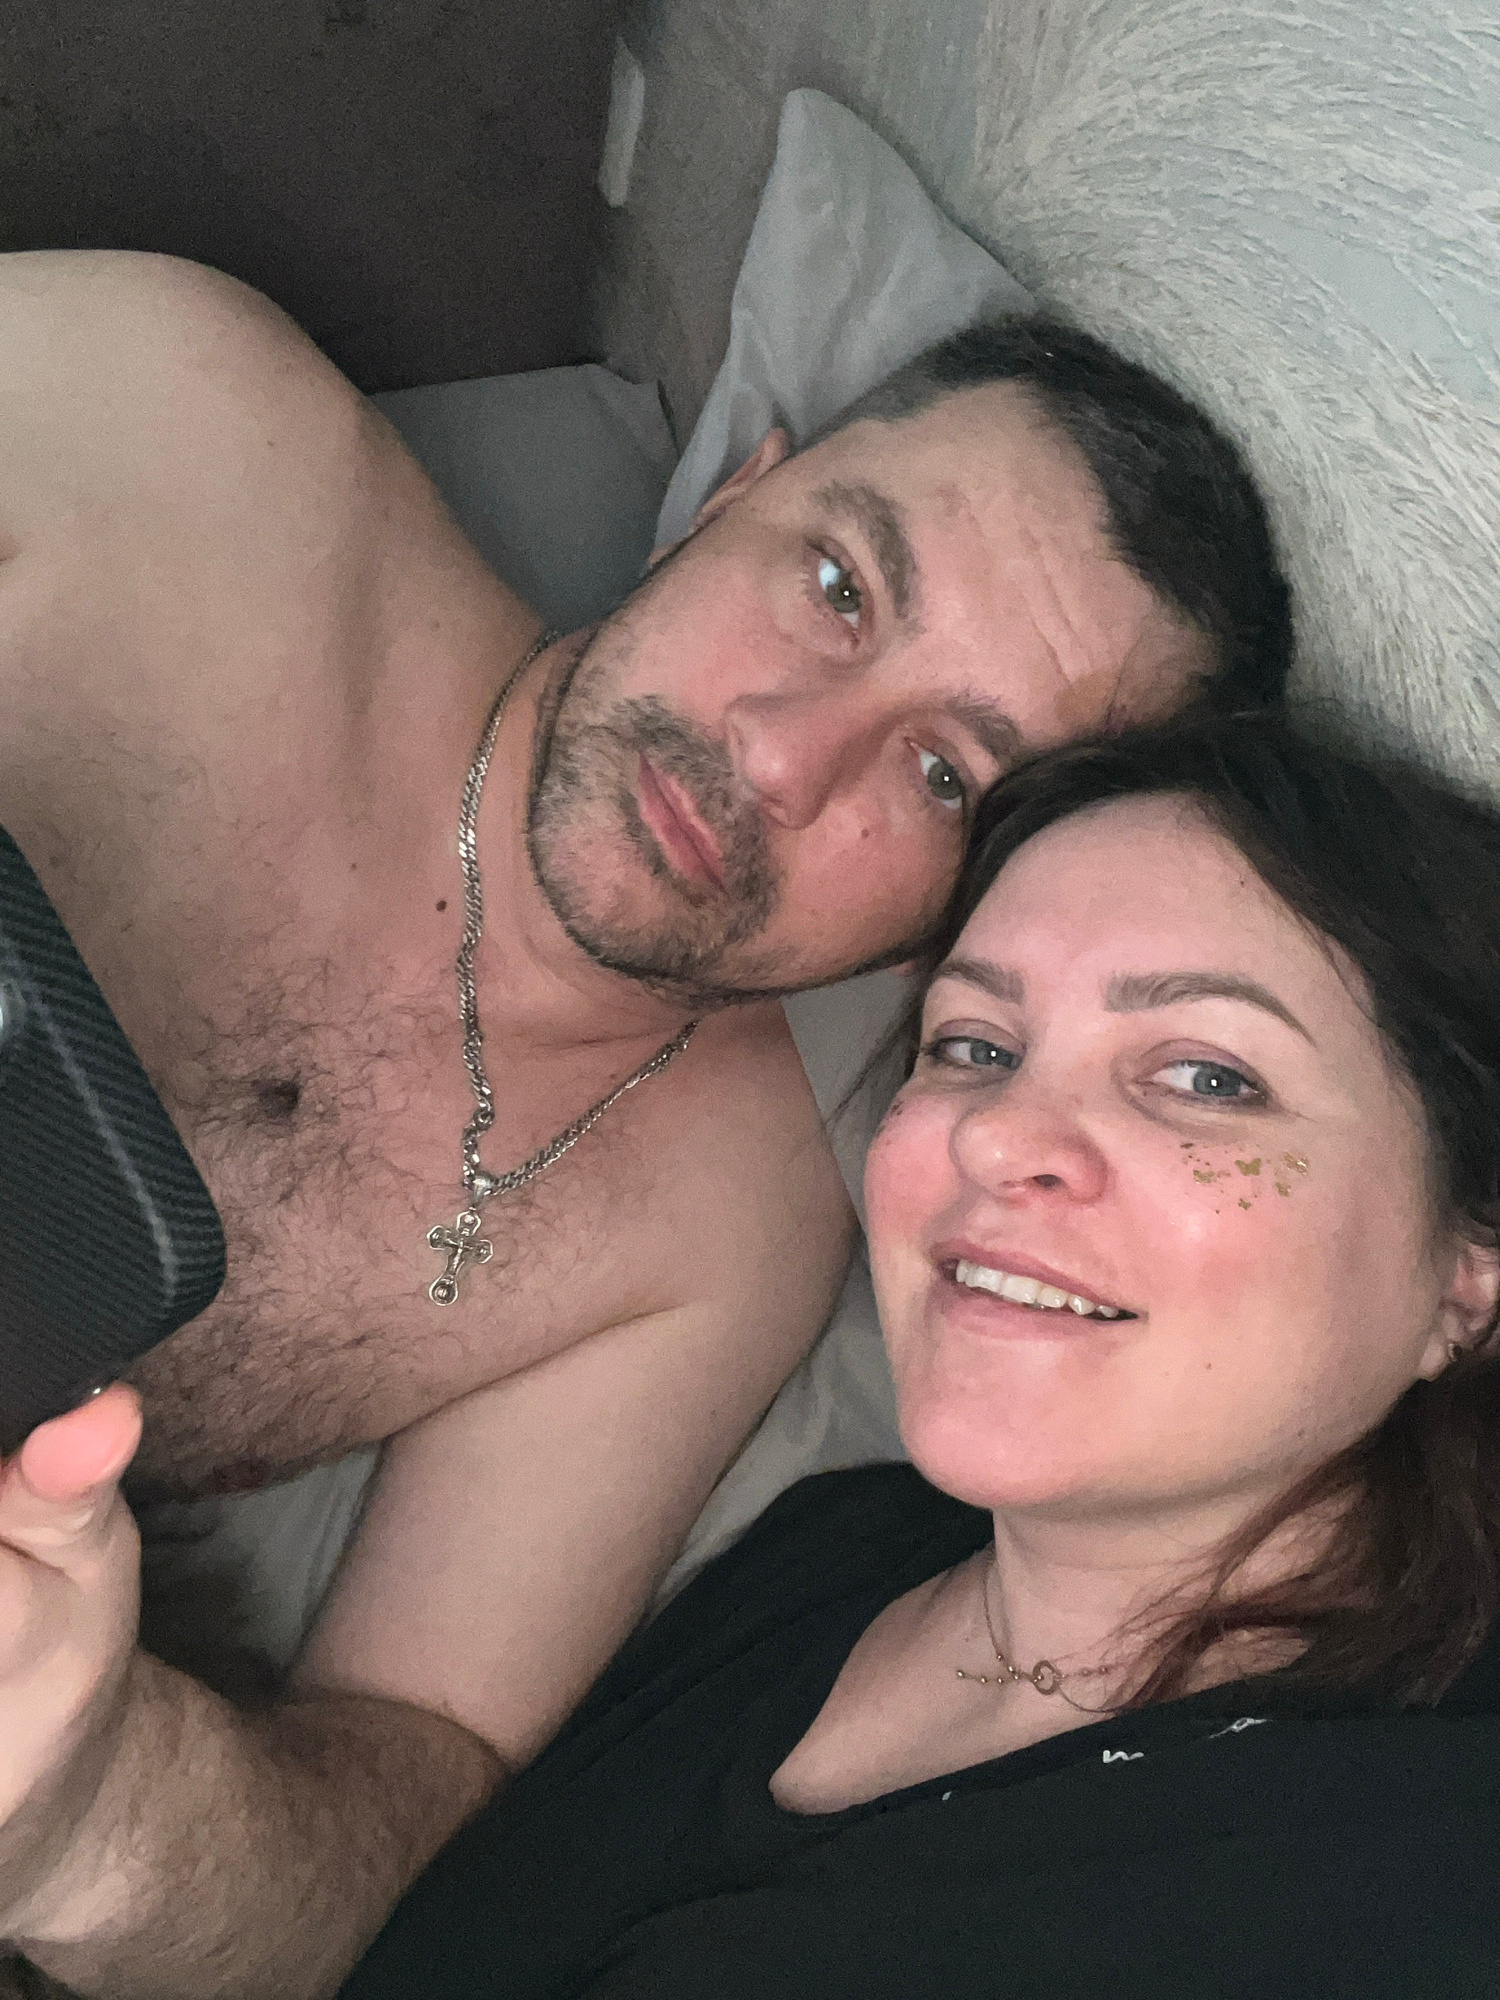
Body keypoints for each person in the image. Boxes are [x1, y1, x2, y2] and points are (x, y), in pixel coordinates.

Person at [0, 254, 1288, 1996]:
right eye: (837, 584)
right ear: (741, 489)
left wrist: (84, 1811)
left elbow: (398, 1800)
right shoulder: (173, 425)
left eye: (944, 778)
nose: (782, 757)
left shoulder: (719, 1234)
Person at [334, 712, 1500, 1999]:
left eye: (1206, 1077)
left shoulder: (1428, 1865)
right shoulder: (827, 1550)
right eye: (973, 1046)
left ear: (1469, 1271)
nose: (996, 1134)